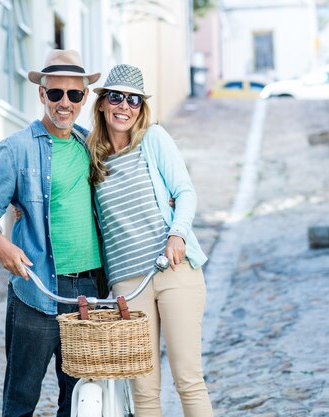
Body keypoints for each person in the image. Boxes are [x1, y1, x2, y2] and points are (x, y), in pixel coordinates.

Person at [0, 49, 102, 417]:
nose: (65, 102)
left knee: (80, 402)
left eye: (74, 94)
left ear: (84, 98)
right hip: (37, 287)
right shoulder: (16, 149)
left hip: (88, 292)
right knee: (20, 400)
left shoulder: (91, 145)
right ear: (41, 94)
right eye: (56, 93)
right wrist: (1, 245)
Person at [86, 64, 214, 417]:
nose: (124, 106)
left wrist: (177, 234)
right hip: (129, 283)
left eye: (134, 100)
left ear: (141, 107)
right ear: (101, 104)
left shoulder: (153, 139)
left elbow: (185, 192)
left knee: (188, 379)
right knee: (143, 390)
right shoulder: (91, 156)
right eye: (116, 97)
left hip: (174, 270)